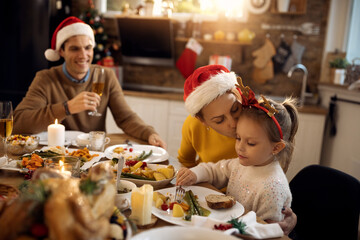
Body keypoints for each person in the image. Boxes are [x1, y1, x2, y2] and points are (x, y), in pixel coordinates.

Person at [13, 16, 166, 148]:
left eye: (88, 48)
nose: (83, 55)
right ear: (61, 51)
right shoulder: (45, 79)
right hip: (57, 156)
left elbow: (126, 118)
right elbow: (18, 123)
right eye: (75, 49)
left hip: (94, 153)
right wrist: (67, 108)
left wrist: (149, 133)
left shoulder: (106, 76)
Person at [177, 65, 296, 233]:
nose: (233, 123)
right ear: (202, 120)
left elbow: (272, 189)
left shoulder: (257, 119)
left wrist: (289, 219)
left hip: (243, 219)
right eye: (219, 120)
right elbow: (189, 165)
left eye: (235, 109)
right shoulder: (193, 126)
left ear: (239, 95)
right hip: (210, 201)